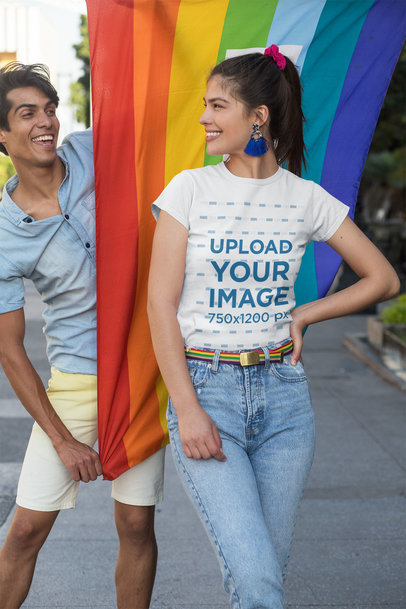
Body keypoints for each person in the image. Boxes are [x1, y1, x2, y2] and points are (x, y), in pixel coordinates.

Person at [147, 46, 400, 608]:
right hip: (207, 391)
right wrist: (187, 409)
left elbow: (382, 279)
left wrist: (303, 315)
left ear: (257, 115)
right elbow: (159, 307)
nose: (204, 118)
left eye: (218, 105)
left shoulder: (305, 198)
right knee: (257, 578)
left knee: (265, 578)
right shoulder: (189, 191)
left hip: (285, 405)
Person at [0, 62, 165, 609]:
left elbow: (158, 126)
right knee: (24, 532)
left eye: (49, 109)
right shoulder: (3, 233)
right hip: (76, 384)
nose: (45, 122)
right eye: (28, 114)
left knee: (136, 523)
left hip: (141, 371)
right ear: (2, 135)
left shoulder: (94, 150)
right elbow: (9, 348)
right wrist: (63, 440)